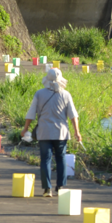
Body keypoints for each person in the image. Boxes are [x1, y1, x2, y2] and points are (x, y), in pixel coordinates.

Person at [20, 68, 82, 197]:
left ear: (47, 79)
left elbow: (31, 113)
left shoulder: (39, 94)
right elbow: (73, 115)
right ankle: (60, 187)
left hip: (44, 132)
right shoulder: (66, 94)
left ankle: (47, 189)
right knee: (61, 159)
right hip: (61, 133)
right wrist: (77, 132)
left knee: (45, 160)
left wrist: (25, 129)